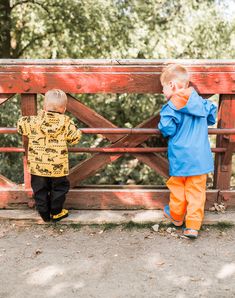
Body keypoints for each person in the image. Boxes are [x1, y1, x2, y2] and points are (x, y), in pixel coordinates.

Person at [158, 64, 217, 238]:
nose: (162, 92)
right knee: (197, 192)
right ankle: (192, 226)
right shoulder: (201, 103)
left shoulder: (170, 108)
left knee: (177, 188)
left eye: (163, 88)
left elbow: (167, 129)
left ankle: (176, 217)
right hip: (200, 159)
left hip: (180, 157)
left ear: (172, 86)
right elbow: (212, 115)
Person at [17, 89, 82, 222]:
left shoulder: (33, 121)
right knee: (59, 188)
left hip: (38, 166)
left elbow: (20, 126)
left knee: (39, 189)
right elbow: (76, 138)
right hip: (58, 166)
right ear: (63, 109)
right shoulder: (66, 124)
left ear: (44, 106)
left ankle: (44, 213)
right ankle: (57, 212)